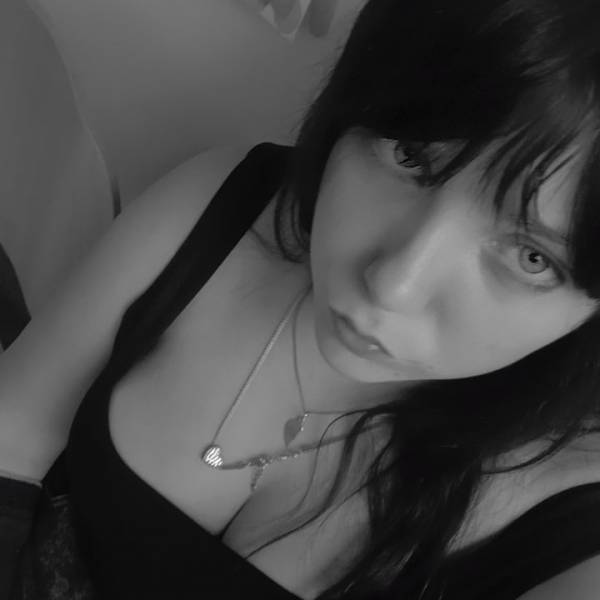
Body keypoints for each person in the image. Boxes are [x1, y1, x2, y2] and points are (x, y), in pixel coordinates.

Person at [2, 0, 600, 598]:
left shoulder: (570, 518)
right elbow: (13, 441)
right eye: (409, 154)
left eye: (531, 257)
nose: (393, 284)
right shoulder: (226, 207)